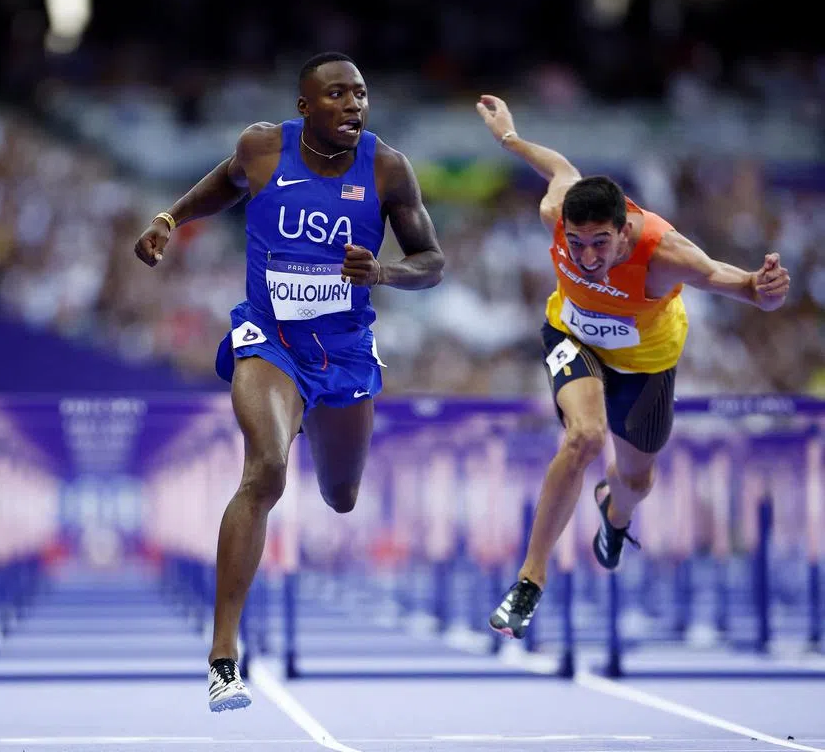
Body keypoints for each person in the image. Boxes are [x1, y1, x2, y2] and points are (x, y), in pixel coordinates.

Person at [133, 52, 444, 711]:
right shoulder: (263, 147)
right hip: (270, 338)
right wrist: (169, 219)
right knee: (266, 470)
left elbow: (432, 261)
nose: (354, 105)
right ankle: (223, 657)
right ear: (306, 106)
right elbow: (224, 183)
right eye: (337, 95)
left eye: (360, 93)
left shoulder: (387, 168)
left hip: (346, 351)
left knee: (342, 495)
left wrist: (385, 273)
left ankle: (313, 423)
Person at [474, 95, 791, 639]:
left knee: (636, 480)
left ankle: (614, 514)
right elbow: (558, 169)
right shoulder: (557, 213)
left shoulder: (666, 254)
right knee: (584, 439)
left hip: (647, 368)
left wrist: (764, 291)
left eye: (601, 243)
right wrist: (508, 137)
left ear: (625, 230)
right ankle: (530, 579)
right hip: (574, 339)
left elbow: (737, 284)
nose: (587, 256)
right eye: (577, 243)